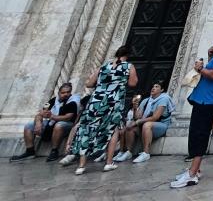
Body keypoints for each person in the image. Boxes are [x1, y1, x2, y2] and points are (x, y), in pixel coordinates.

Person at [171, 30, 213, 189]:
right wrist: (210, 57)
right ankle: (195, 169)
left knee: (199, 135)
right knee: (197, 133)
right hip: (206, 99)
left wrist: (200, 68)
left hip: (207, 100)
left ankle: (192, 174)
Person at [64, 45, 137, 175]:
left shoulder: (104, 66)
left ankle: (81, 166)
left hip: (96, 101)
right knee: (113, 130)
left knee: (87, 129)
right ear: (128, 55)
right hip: (113, 102)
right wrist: (119, 82)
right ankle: (108, 163)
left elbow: (89, 84)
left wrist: (103, 83)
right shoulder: (128, 66)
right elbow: (133, 83)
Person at [10, 82, 79, 162]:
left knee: (59, 125)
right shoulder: (54, 100)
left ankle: (54, 151)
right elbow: (40, 114)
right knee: (29, 125)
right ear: (59, 93)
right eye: (63, 93)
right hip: (52, 122)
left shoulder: (72, 102)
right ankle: (30, 151)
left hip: (67, 125)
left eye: (68, 92)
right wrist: (38, 123)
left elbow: (68, 117)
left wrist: (52, 116)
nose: (66, 94)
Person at [114, 81, 173, 164]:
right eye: (153, 86)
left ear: (162, 90)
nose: (153, 88)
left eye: (157, 86)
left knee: (146, 125)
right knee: (130, 127)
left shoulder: (164, 99)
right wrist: (135, 107)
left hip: (161, 125)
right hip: (145, 124)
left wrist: (137, 122)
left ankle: (146, 153)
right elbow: (137, 117)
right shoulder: (146, 101)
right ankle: (128, 152)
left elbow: (155, 117)